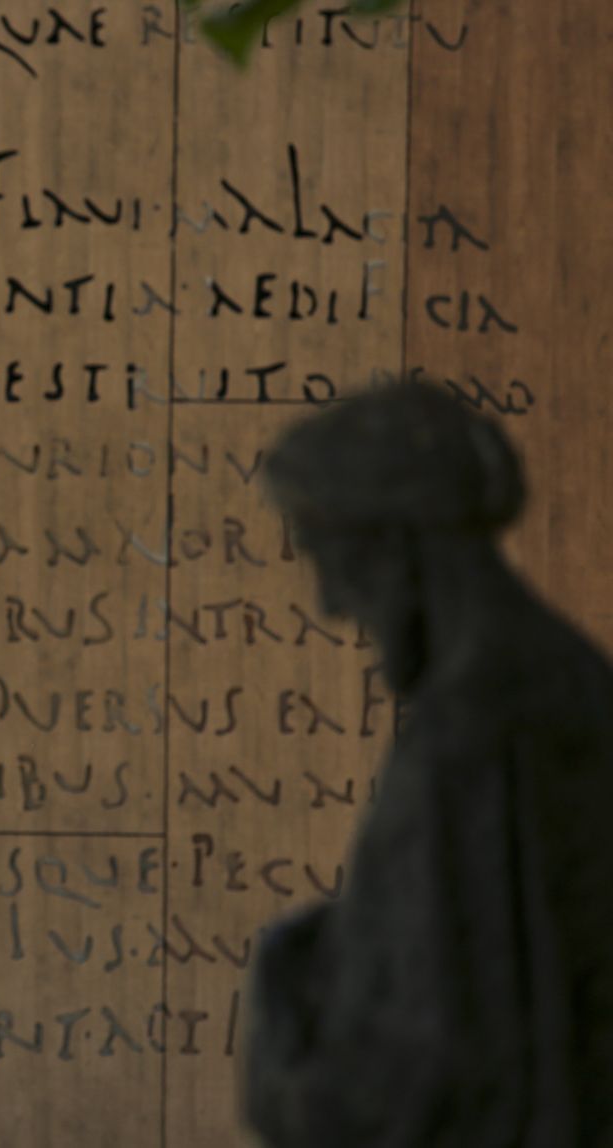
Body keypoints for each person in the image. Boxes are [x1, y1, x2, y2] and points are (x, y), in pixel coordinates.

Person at [241, 381, 613, 1147]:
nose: (332, 602)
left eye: (330, 559)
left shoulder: (468, 736)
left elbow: (424, 1071)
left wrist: (284, 1047)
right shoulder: (569, 678)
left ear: (394, 549)